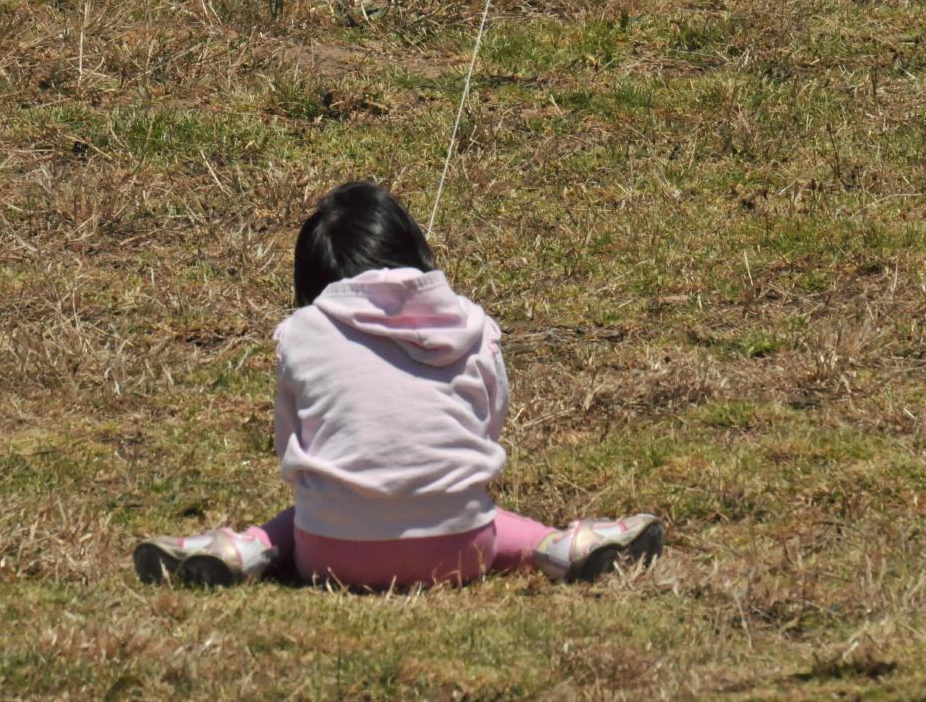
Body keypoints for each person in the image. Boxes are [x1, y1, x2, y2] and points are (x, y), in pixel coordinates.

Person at [134, 181, 663, 589]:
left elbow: (289, 444)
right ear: (414, 249)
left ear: (312, 278)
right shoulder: (473, 324)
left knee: (300, 517)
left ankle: (244, 551)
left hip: (330, 553)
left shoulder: (301, 333)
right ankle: (561, 548)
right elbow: (489, 426)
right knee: (494, 523)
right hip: (462, 549)